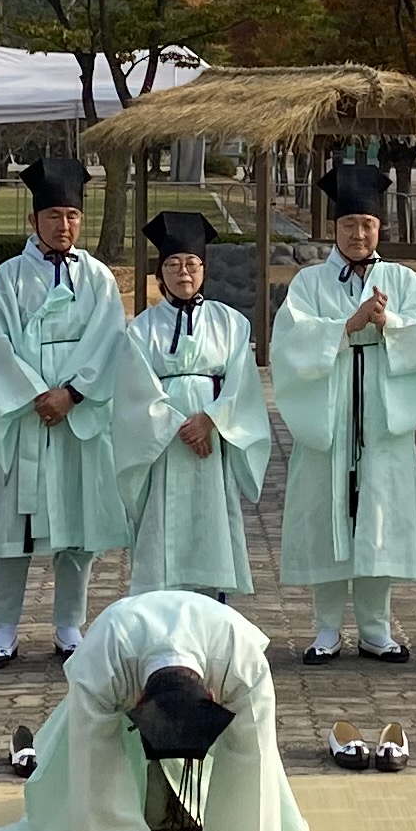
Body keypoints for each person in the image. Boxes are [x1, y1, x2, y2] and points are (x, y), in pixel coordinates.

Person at [0, 586, 309, 831]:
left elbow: (253, 751)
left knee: (244, 751)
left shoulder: (240, 661)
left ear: (212, 697)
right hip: (118, 658)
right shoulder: (103, 661)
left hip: (213, 644)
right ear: (137, 701)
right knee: (90, 748)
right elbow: (94, 751)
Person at [0, 149, 158, 666]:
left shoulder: (97, 277)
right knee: (13, 529)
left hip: (79, 417)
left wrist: (73, 393)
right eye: (54, 215)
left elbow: (110, 339)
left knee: (79, 529)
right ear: (33, 219)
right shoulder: (9, 277)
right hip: (26, 415)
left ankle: (68, 624)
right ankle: (4, 627)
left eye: (73, 215)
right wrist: (36, 394)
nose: (64, 224)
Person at [269, 163, 416, 662]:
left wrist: (389, 323)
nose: (359, 234)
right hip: (331, 411)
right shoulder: (308, 283)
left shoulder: (405, 282)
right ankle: (326, 629)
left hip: (382, 416)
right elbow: (291, 342)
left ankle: (376, 628)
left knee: (377, 519)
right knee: (326, 516)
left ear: (379, 227)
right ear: (334, 229)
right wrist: (347, 324)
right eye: (349, 225)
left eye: (367, 225)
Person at [124, 212, 270, 596]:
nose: (183, 273)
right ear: (160, 274)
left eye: (192, 263)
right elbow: (134, 390)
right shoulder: (141, 329)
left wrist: (211, 419)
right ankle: (162, 613)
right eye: (173, 264)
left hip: (213, 442)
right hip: (164, 447)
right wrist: (175, 425)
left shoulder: (231, 323)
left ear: (204, 268)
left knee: (212, 523)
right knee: (162, 524)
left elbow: (242, 385)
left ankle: (212, 609)